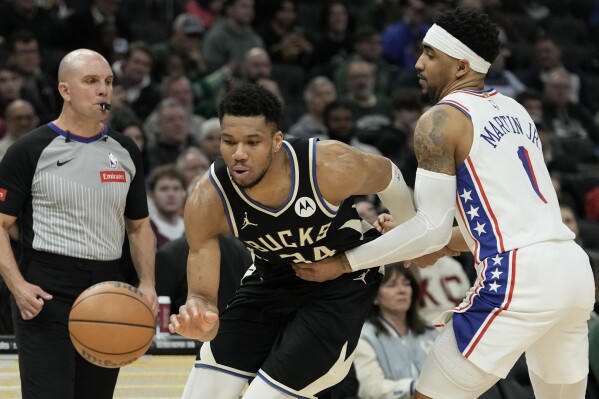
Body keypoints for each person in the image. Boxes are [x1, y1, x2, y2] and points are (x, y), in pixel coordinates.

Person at [295, 8, 596, 399]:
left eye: (430, 54)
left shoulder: (441, 120)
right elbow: (500, 223)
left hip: (520, 276)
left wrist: (342, 263)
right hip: (573, 271)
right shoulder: (517, 110)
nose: (418, 63)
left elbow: (431, 228)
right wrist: (432, 243)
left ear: (461, 65)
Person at [168, 83, 422, 398]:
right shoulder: (208, 198)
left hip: (342, 284)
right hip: (271, 278)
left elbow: (389, 174)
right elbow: (202, 296)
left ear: (277, 141)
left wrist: (412, 228)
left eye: (252, 142)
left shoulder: (327, 165)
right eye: (228, 141)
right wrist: (199, 314)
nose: (239, 154)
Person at [0, 48, 158, 399]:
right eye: (91, 82)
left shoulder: (126, 149)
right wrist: (18, 286)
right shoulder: (29, 149)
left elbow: (139, 226)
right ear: (65, 90)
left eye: (108, 82)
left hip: (108, 286)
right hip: (45, 289)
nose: (103, 90)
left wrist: (147, 283)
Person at [354, 264, 438, 399]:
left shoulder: (430, 330)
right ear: (375, 297)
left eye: (406, 284)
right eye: (392, 285)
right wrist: (414, 387)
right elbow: (369, 388)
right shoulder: (364, 336)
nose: (402, 290)